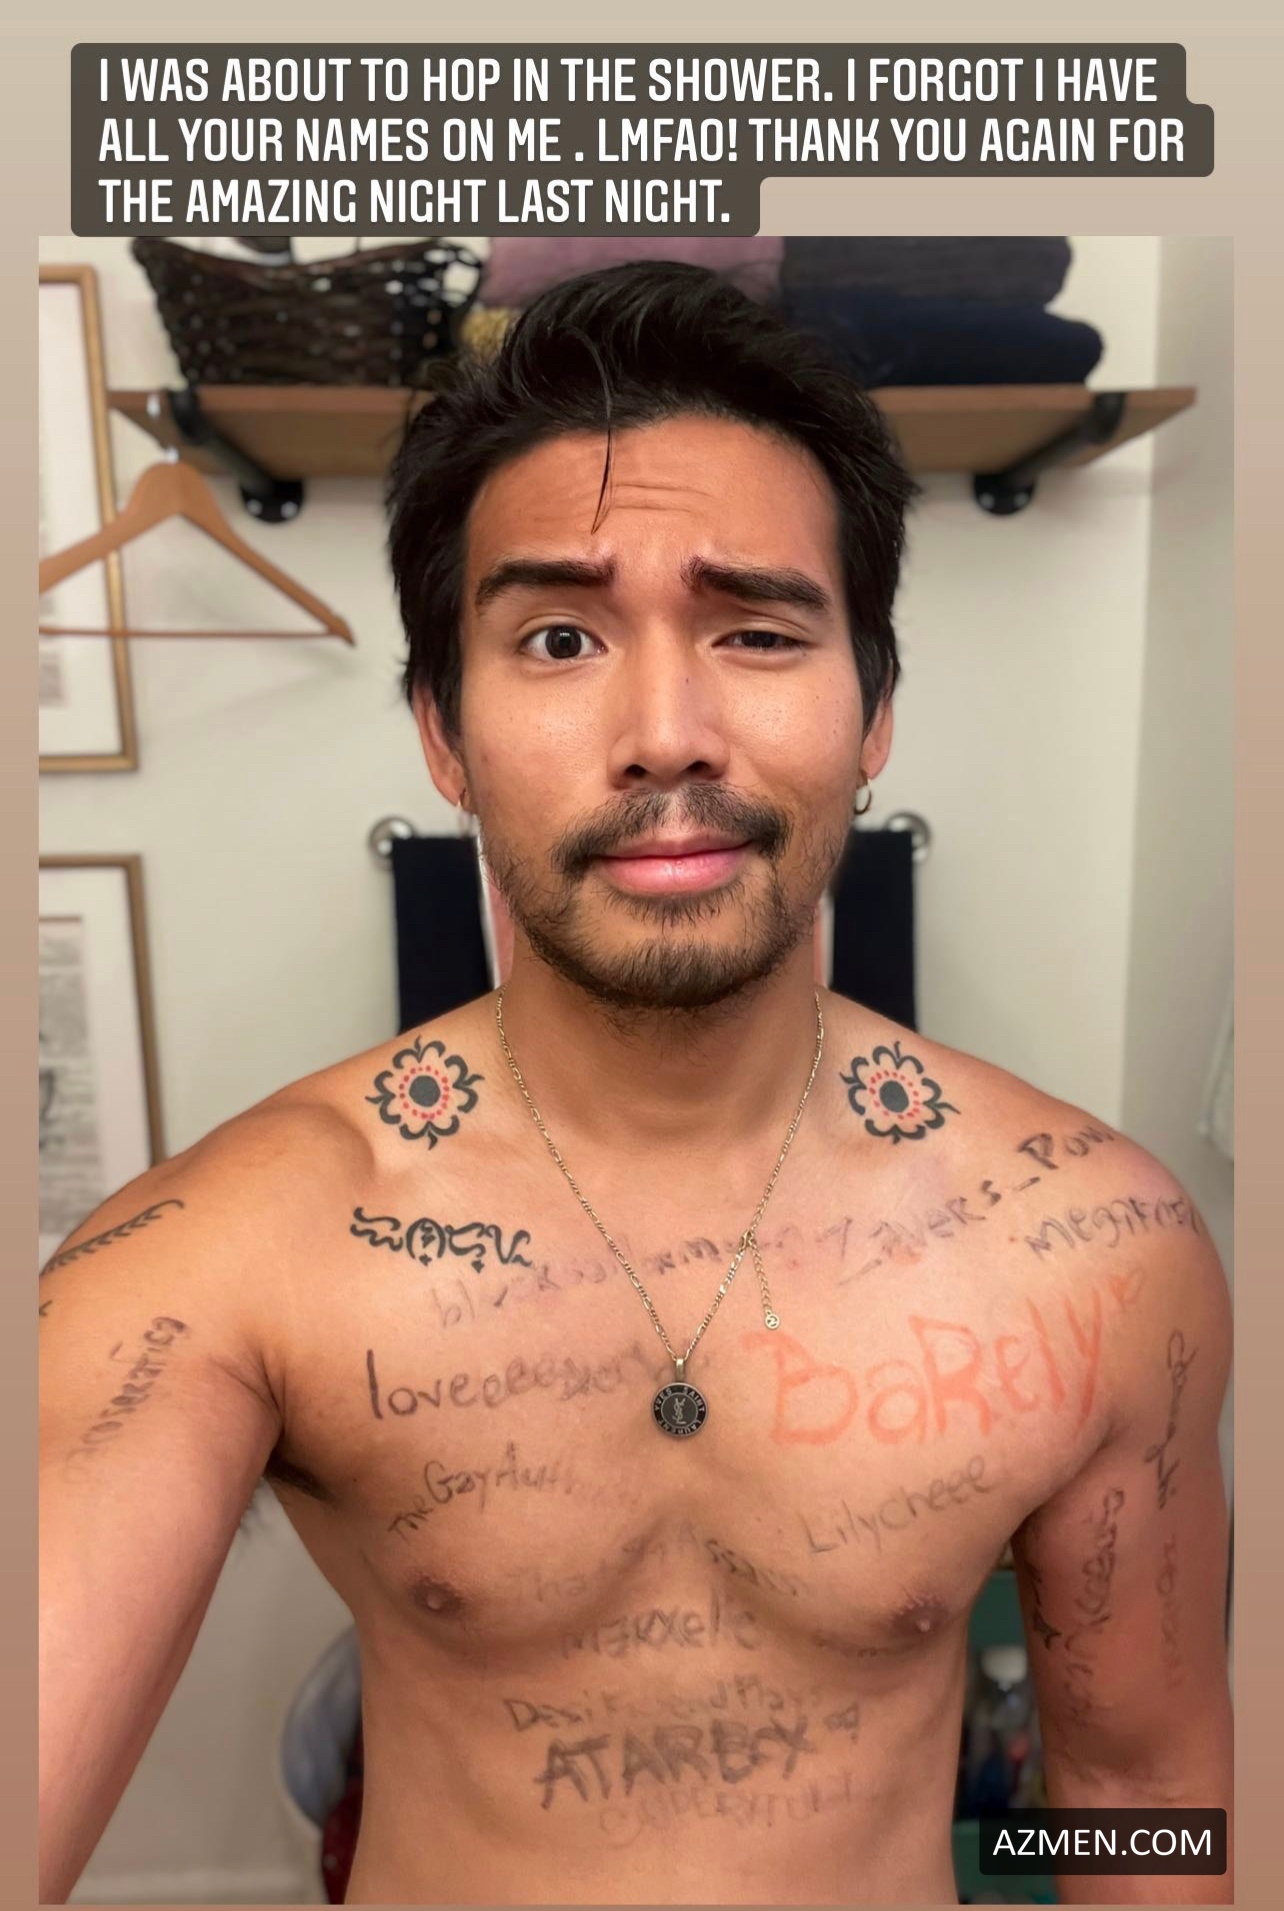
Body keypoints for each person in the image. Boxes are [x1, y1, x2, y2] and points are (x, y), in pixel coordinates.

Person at [39, 262, 1233, 1906]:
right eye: (558, 636)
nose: (667, 731)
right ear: (444, 735)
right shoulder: (226, 1254)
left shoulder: (1095, 1251)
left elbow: (1137, 1786)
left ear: (874, 714)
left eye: (757, 631)